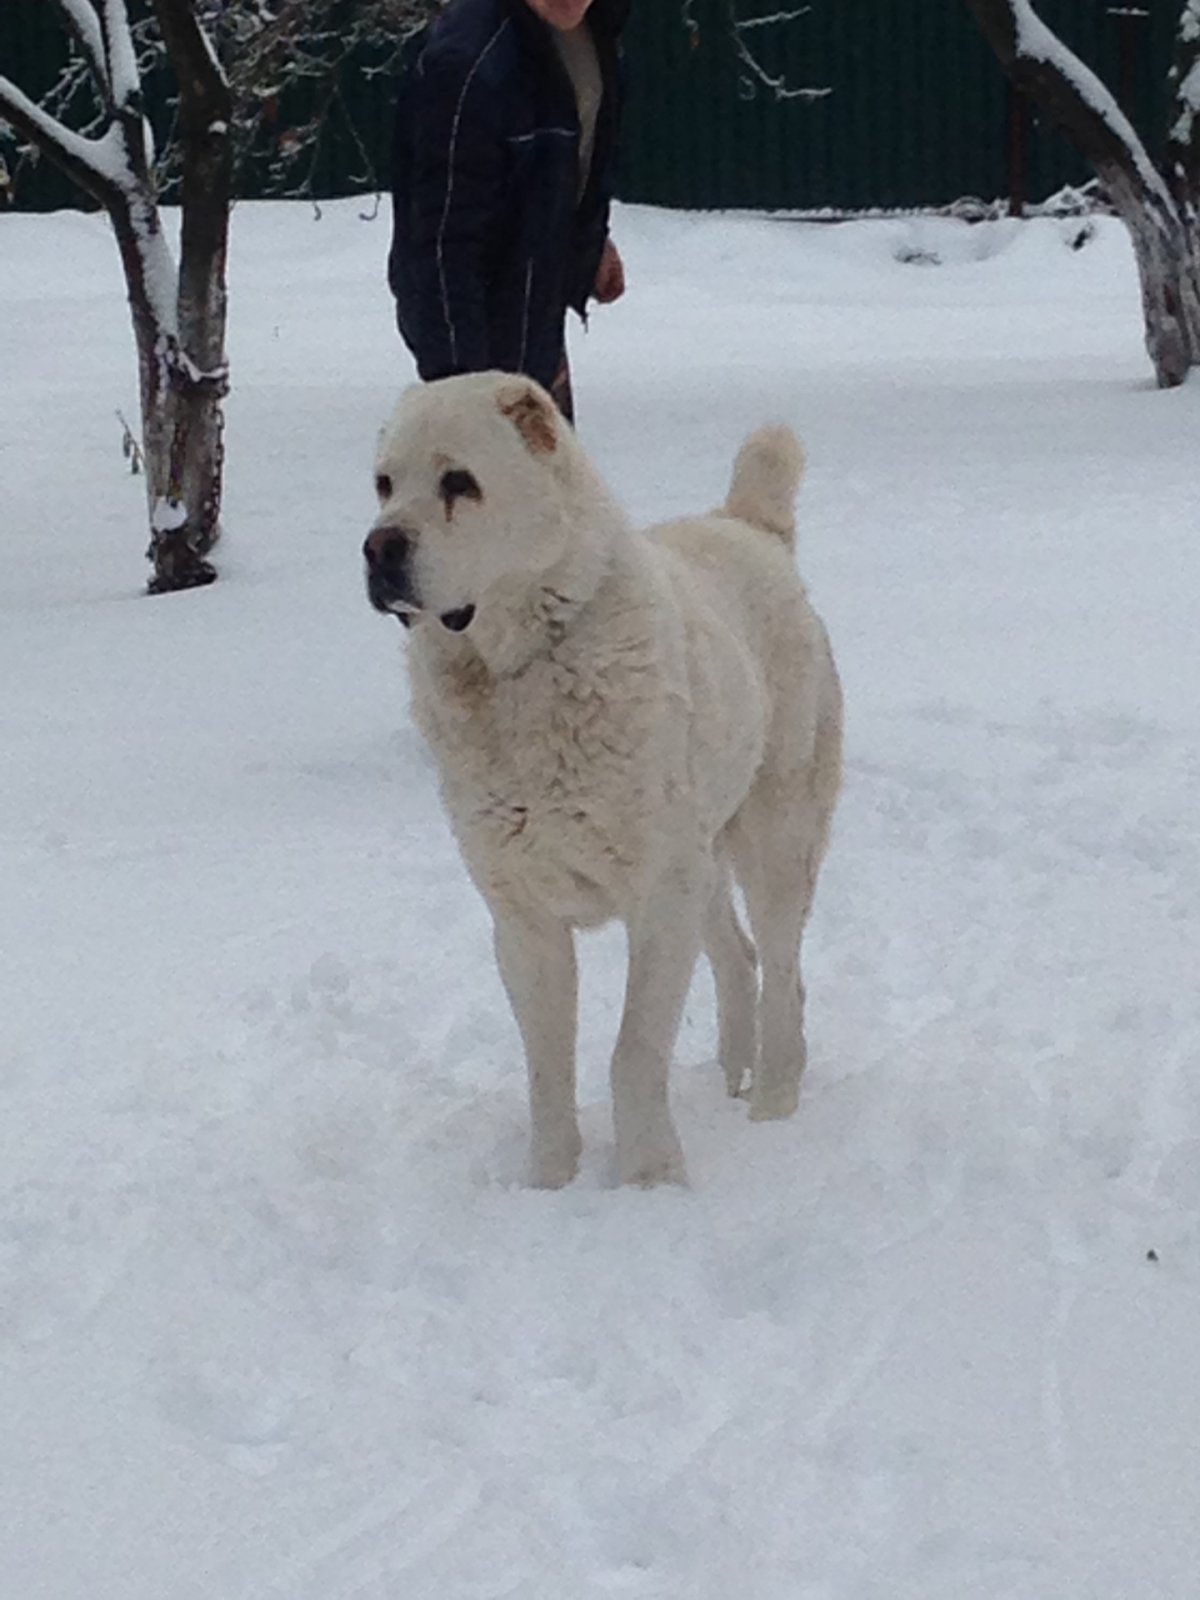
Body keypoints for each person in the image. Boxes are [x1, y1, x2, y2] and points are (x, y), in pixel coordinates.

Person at [387, 0, 629, 422]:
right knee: (507, 487)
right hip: (480, 351)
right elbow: (443, 247)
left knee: (557, 488)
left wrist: (588, 245)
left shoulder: (593, 34)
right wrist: (463, 390)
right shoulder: (467, 64)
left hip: (538, 328)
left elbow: (565, 165)